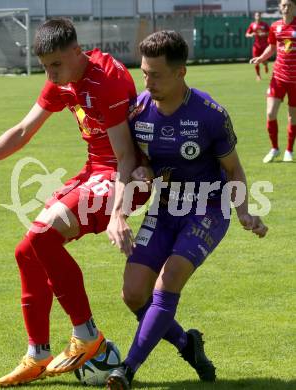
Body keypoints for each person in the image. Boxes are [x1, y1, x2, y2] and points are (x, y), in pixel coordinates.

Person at [0, 18, 143, 387]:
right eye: (45, 67)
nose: (51, 75)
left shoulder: (107, 81)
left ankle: (87, 335)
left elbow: (126, 157)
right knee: (27, 251)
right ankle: (38, 354)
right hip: (95, 171)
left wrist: (118, 214)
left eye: (56, 65)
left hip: (124, 178)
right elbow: (23, 131)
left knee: (42, 236)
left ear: (76, 51)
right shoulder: (64, 78)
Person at [106, 30, 268, 390]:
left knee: (170, 278)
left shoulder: (210, 115)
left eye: (156, 74)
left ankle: (127, 370)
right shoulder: (140, 112)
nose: (147, 82)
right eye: (144, 72)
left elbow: (233, 170)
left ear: (181, 73)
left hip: (207, 209)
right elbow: (143, 163)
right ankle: (186, 343)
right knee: (134, 293)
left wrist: (243, 211)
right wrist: (141, 171)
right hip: (164, 209)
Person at [250, 0, 296, 163]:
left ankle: (289, 150)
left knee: (293, 118)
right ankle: (274, 148)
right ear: (279, 7)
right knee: (270, 113)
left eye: (289, 5)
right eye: (283, 5)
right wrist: (261, 58)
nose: (286, 8)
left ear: (295, 7)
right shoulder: (275, 26)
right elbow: (272, 47)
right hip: (278, 77)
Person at [245, 12, 270, 81]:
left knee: (264, 61)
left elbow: (270, 33)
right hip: (256, 46)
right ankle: (258, 76)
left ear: (261, 16)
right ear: (254, 16)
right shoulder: (252, 25)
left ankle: (265, 65)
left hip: (264, 46)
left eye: (259, 15)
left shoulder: (264, 24)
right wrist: (251, 35)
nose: (258, 16)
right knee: (256, 61)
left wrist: (264, 34)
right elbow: (247, 34)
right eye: (256, 15)